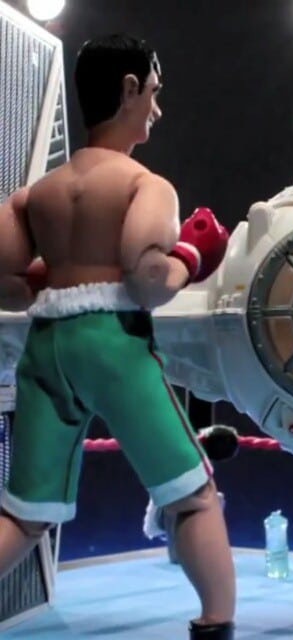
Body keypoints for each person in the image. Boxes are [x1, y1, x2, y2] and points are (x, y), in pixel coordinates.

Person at [0, 34, 236, 640]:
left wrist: (49, 280)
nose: (157, 107)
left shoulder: (38, 195)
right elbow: (148, 279)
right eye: (153, 91)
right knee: (192, 494)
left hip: (47, 348)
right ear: (129, 89)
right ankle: (216, 625)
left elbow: (7, 283)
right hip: (112, 343)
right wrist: (193, 256)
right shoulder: (145, 186)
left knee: (25, 513)